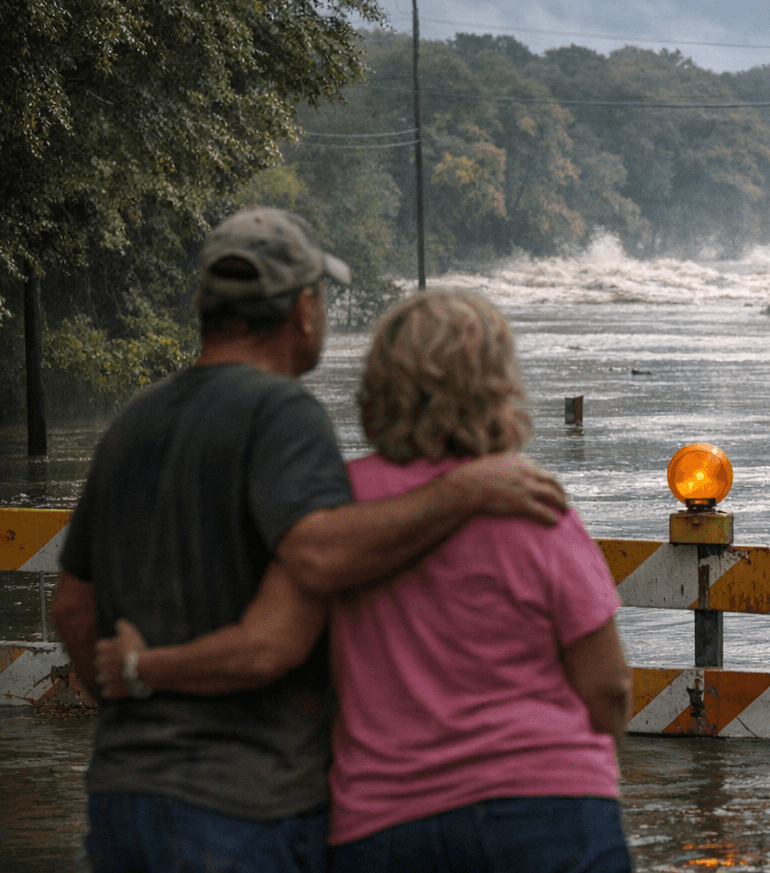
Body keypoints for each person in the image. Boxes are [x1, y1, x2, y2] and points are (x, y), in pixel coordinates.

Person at [51, 208, 568, 873]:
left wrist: (133, 703)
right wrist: (466, 489)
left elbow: (70, 607)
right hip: (249, 804)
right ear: (302, 308)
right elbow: (316, 560)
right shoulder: (282, 412)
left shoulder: (132, 421)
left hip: (122, 796)